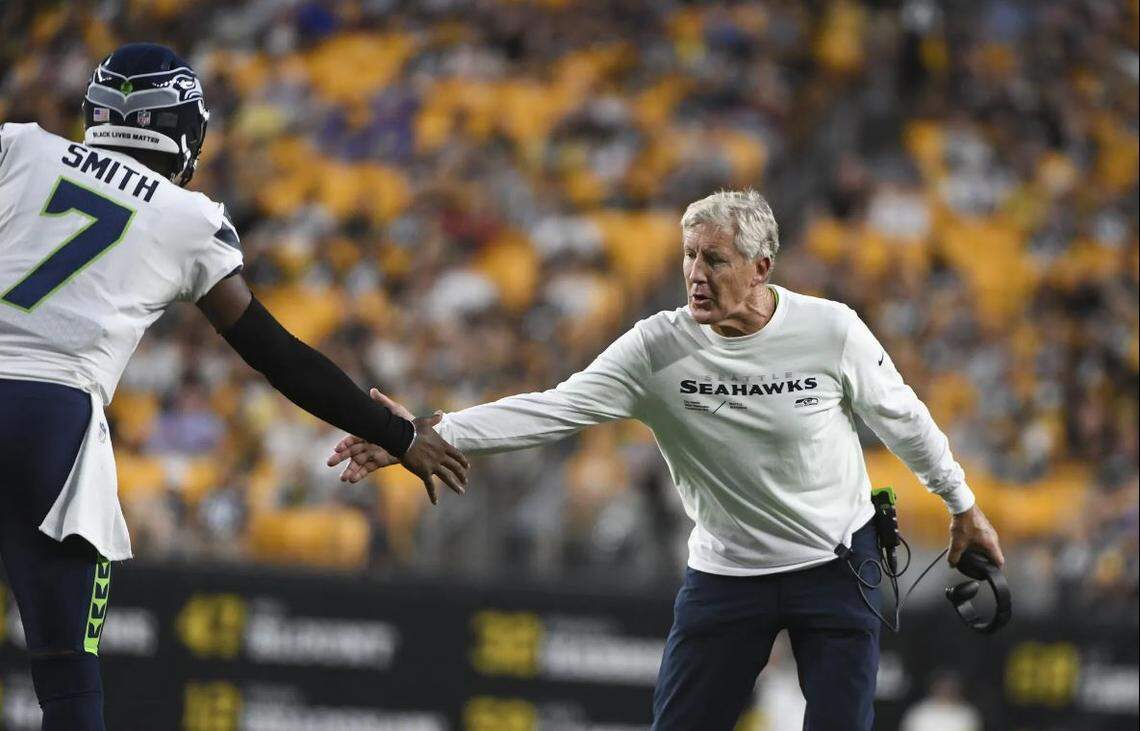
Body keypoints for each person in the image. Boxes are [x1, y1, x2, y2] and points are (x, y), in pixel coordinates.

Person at [328, 189, 1005, 730]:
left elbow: (905, 417)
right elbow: (549, 408)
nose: (694, 275)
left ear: (761, 267)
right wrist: (412, 432)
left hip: (836, 563)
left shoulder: (830, 331)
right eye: (688, 256)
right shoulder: (657, 349)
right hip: (728, 573)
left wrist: (961, 503)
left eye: (714, 259)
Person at [0, 43, 467, 731]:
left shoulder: (18, 146)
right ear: (185, 131)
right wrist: (397, 433)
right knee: (67, 674)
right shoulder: (187, 218)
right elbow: (277, 354)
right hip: (54, 418)